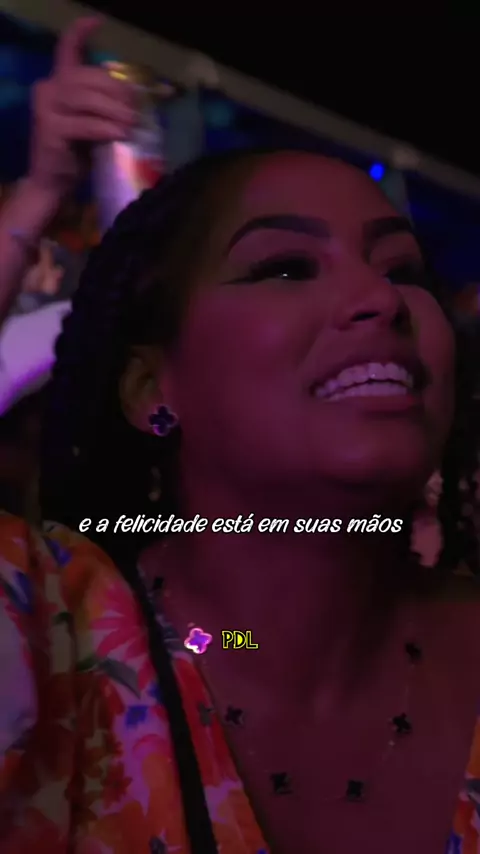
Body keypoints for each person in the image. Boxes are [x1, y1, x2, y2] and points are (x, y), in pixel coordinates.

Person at [0, 18, 479, 854]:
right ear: (151, 388)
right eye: (285, 267)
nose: (381, 300)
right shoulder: (60, 635)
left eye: (404, 270)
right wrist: (35, 203)